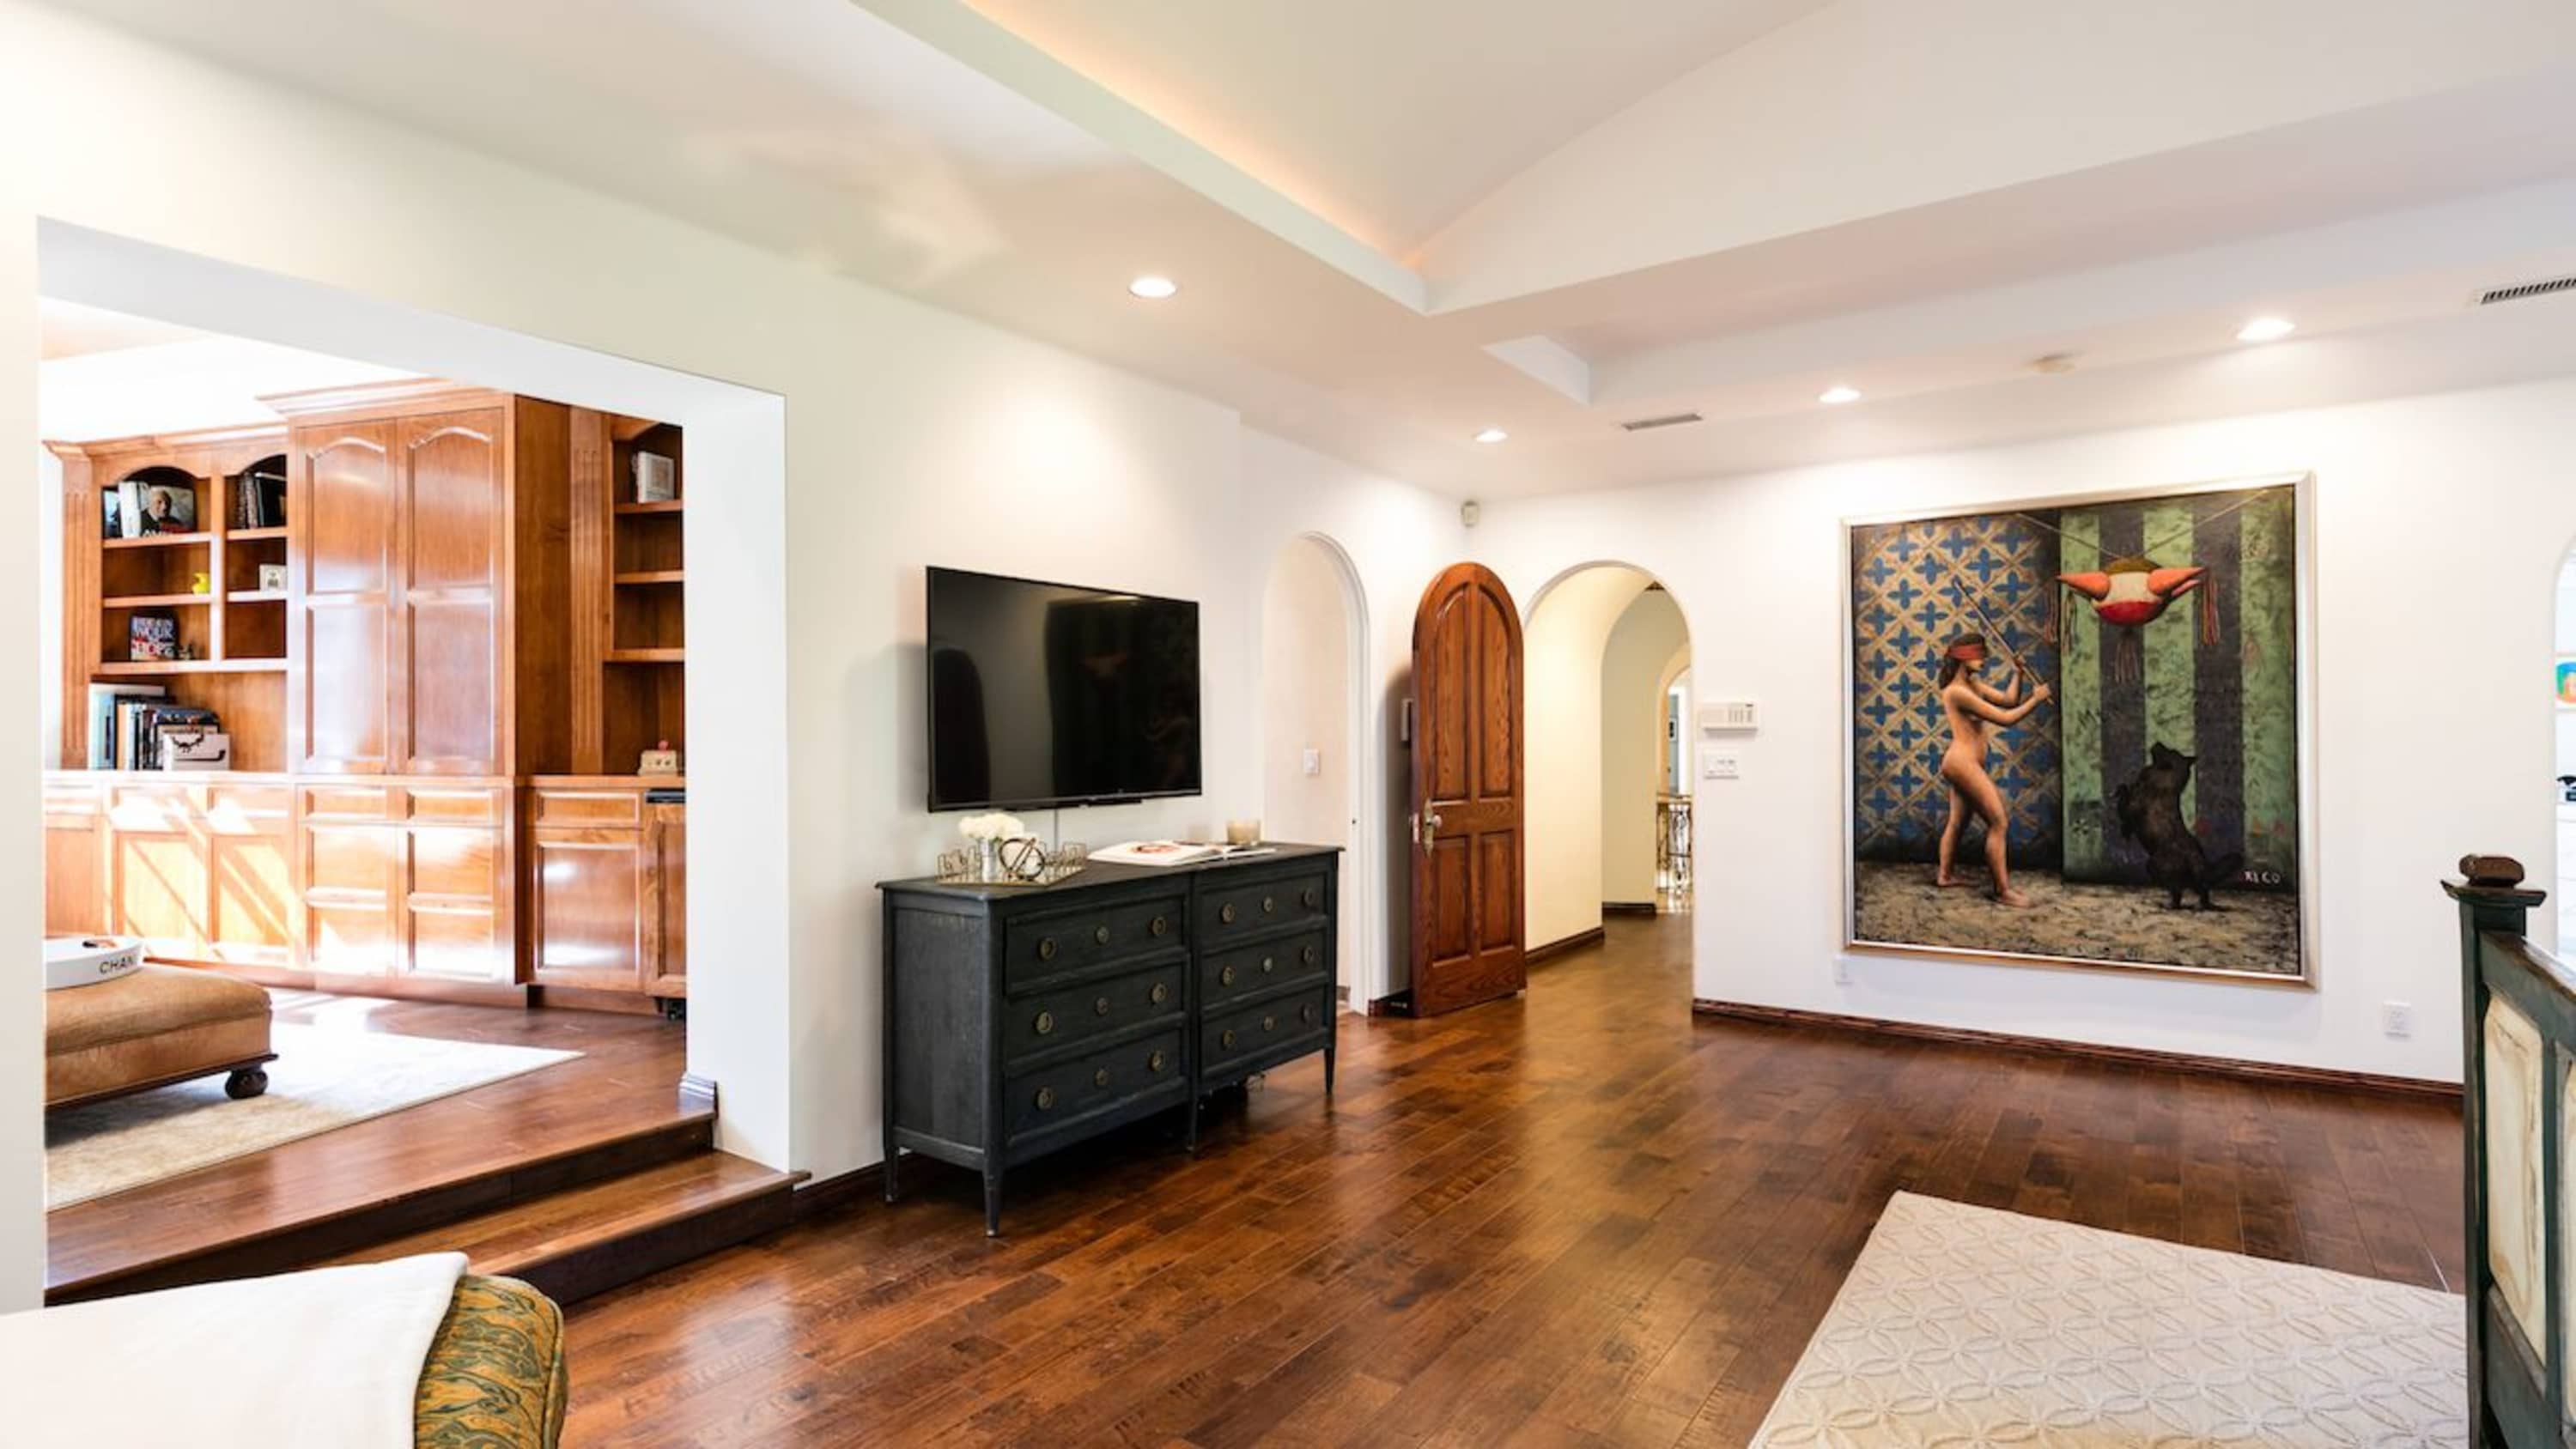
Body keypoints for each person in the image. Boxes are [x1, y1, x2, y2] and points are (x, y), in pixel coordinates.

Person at [1934, 634, 2050, 906]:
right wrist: (2036, 699)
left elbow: (2008, 701)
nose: (1984, 659)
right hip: (1962, 763)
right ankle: (2002, 891)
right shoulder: (1957, 692)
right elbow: (2006, 719)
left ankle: (1945, 876)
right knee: (1999, 822)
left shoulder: (1972, 685)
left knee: (1957, 822)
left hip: (1964, 763)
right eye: (1978, 654)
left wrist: (2018, 673)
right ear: (1963, 658)